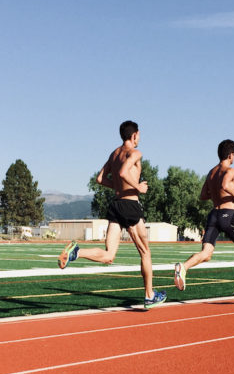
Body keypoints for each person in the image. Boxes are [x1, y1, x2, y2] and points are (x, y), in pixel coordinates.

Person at [57, 120, 166, 309]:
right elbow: (124, 172)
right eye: (139, 135)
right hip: (130, 205)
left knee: (109, 256)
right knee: (145, 252)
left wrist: (118, 186)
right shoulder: (135, 153)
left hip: (115, 205)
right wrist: (137, 186)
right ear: (134, 135)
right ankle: (149, 295)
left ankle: (77, 252)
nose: (139, 138)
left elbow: (100, 179)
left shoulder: (114, 154)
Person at [174, 139, 234, 296]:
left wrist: (216, 193)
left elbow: (203, 195)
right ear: (231, 155)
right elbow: (224, 185)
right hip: (228, 215)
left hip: (213, 216)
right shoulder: (230, 170)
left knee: (206, 254)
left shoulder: (211, 172)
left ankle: (183, 267)